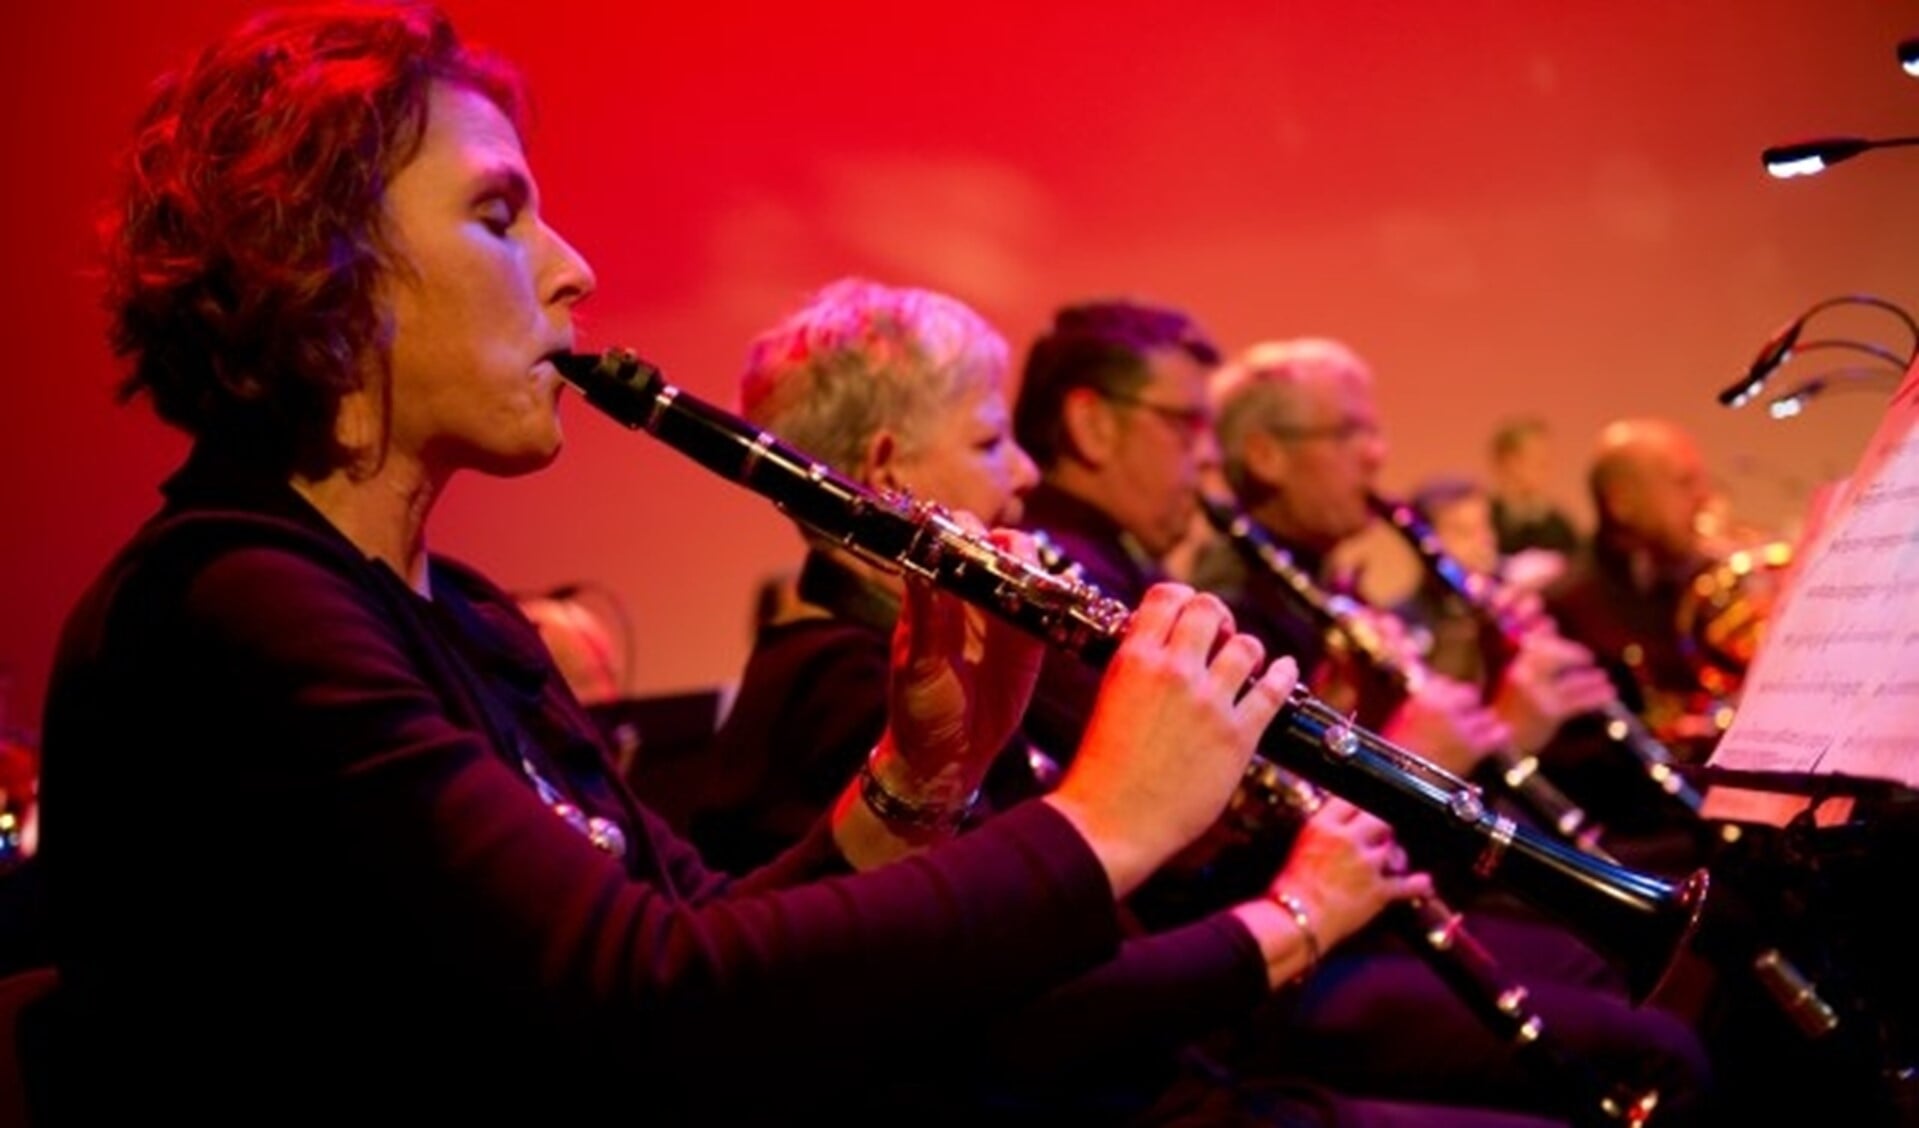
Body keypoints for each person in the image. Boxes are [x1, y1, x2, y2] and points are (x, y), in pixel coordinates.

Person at [32, 6, 1313, 1122]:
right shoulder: (232, 612)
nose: (573, 267)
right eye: (496, 214)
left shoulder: (462, 616)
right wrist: (1111, 819)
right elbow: (657, 1008)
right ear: (320, 268)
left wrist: (914, 781)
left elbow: (704, 929)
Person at [682, 276, 1531, 1126]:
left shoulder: (933, 652)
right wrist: (1298, 913)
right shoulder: (847, 689)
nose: (1021, 473)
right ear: (884, 471)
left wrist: (1208, 809)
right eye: (987, 442)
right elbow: (1032, 1017)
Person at [1165, 333, 1715, 1122]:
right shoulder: (1233, 613)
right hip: (1312, 959)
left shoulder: (1321, 594)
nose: (1376, 453)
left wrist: (1492, 691)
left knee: (1685, 974)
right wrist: (1488, 729)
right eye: (1348, 432)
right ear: (1264, 455)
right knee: (1662, 1040)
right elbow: (1260, 843)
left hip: (1384, 914)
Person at [1488, 416, 1582, 559]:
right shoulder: (1484, 521)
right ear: (1506, 461)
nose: (1544, 467)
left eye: (1544, 459)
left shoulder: (1559, 526)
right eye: (1533, 458)